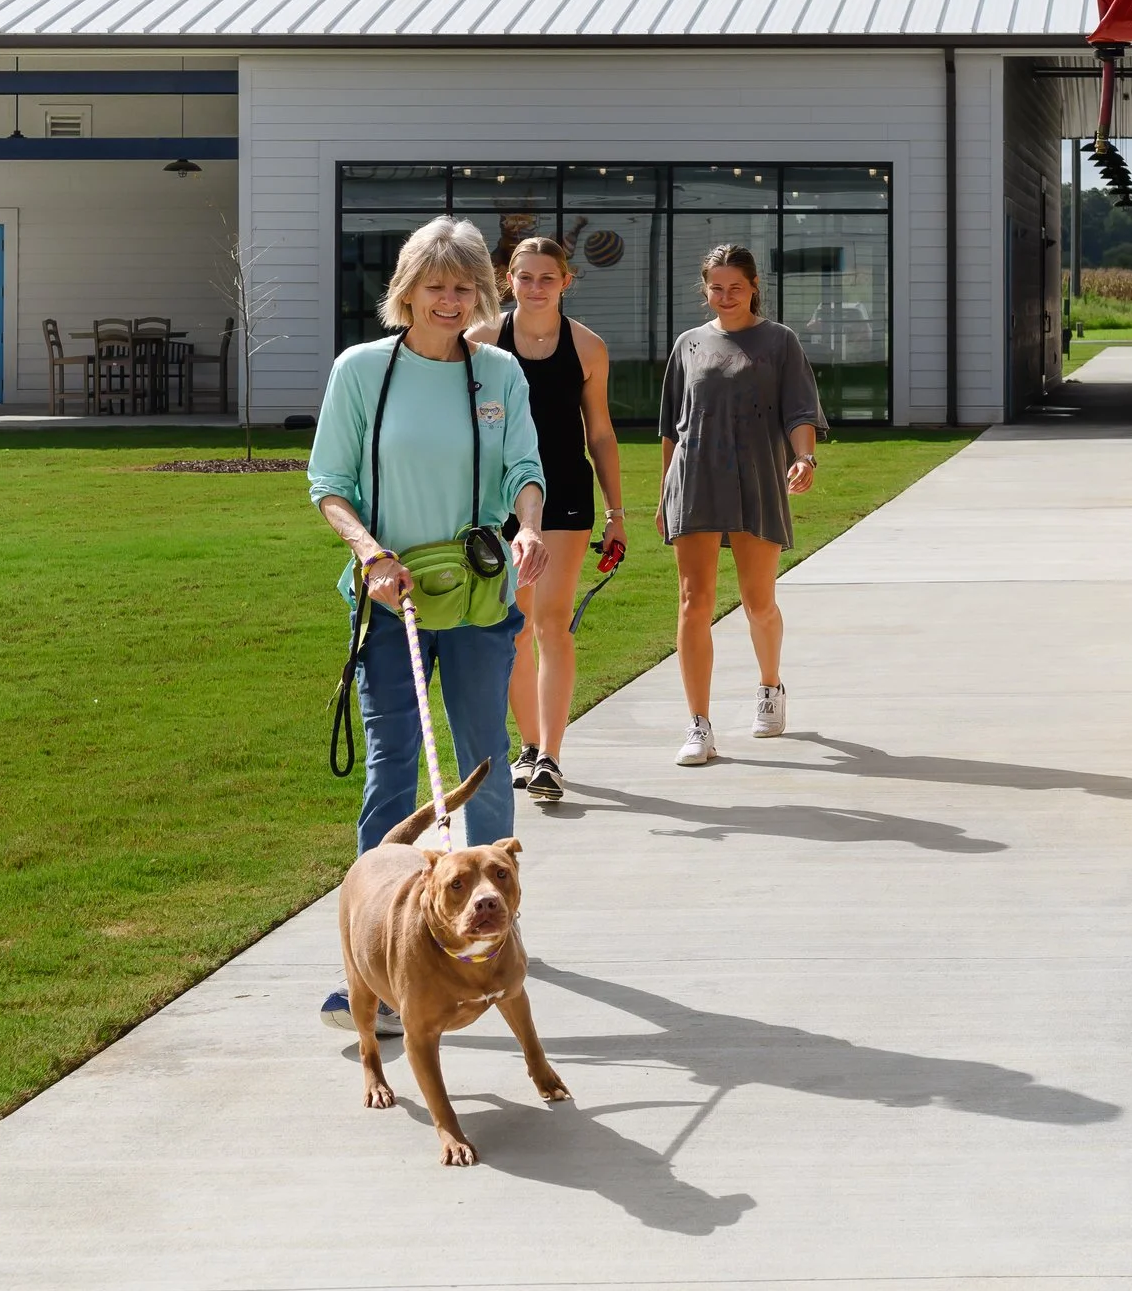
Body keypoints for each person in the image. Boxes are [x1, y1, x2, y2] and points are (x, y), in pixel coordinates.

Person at [308, 216, 548, 1032]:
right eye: (434, 286)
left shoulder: (499, 375)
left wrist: (528, 525)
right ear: (404, 291)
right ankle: (369, 967)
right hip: (390, 598)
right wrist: (371, 553)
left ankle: (495, 935)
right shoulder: (360, 373)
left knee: (484, 766)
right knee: (393, 773)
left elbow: (525, 467)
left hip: (481, 599)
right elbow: (329, 484)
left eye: (464, 288)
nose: (449, 301)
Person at [654, 243, 828, 766]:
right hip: (696, 478)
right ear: (704, 288)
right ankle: (699, 725)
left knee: (758, 602)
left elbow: (800, 410)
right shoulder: (687, 344)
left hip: (757, 478)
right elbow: (671, 427)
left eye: (735, 287)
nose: (725, 297)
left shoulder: (780, 342)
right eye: (715, 287)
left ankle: (770, 686)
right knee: (694, 601)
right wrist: (665, 491)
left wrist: (805, 458)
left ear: (754, 286)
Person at [470, 237, 627, 802]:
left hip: (565, 496)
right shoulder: (481, 341)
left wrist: (616, 513)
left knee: (551, 623)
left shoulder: (587, 347)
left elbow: (601, 434)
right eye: (525, 277)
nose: (536, 287)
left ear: (566, 281)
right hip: (497, 502)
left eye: (547, 277)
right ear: (507, 280)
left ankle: (551, 758)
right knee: (513, 626)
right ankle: (530, 745)